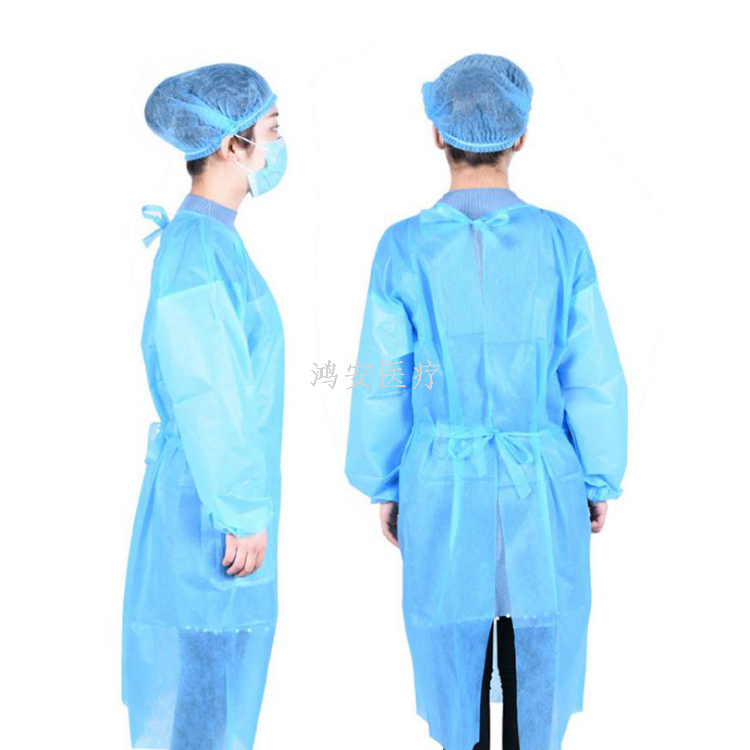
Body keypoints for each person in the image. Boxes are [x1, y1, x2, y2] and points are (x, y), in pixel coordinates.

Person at [345, 53, 627, 750]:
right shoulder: (560, 241)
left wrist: (387, 483)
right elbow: (590, 372)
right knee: (536, 635)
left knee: (454, 641)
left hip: (441, 481)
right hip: (542, 481)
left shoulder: (403, 247)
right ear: (521, 135)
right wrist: (596, 477)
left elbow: (385, 378)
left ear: (438, 134)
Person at [121, 62, 287, 750]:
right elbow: (208, 390)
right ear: (230, 145)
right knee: (203, 693)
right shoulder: (197, 248)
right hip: (209, 509)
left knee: (212, 693)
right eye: (271, 129)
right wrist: (241, 509)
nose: (279, 144)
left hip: (212, 498)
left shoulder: (213, 240)